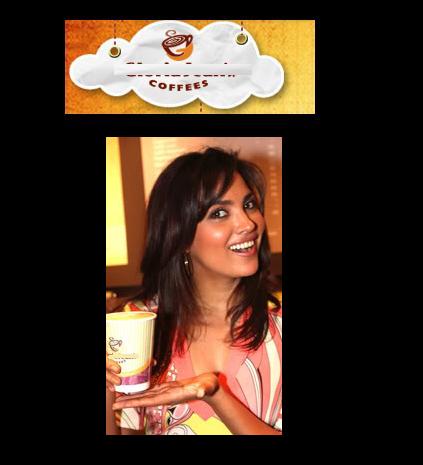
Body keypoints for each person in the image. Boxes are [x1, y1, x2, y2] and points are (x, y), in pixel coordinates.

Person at [106, 147, 282, 435]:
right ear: (181, 235)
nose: (248, 223)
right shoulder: (141, 327)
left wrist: (215, 395)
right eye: (220, 213)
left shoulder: (279, 328)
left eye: (249, 204)